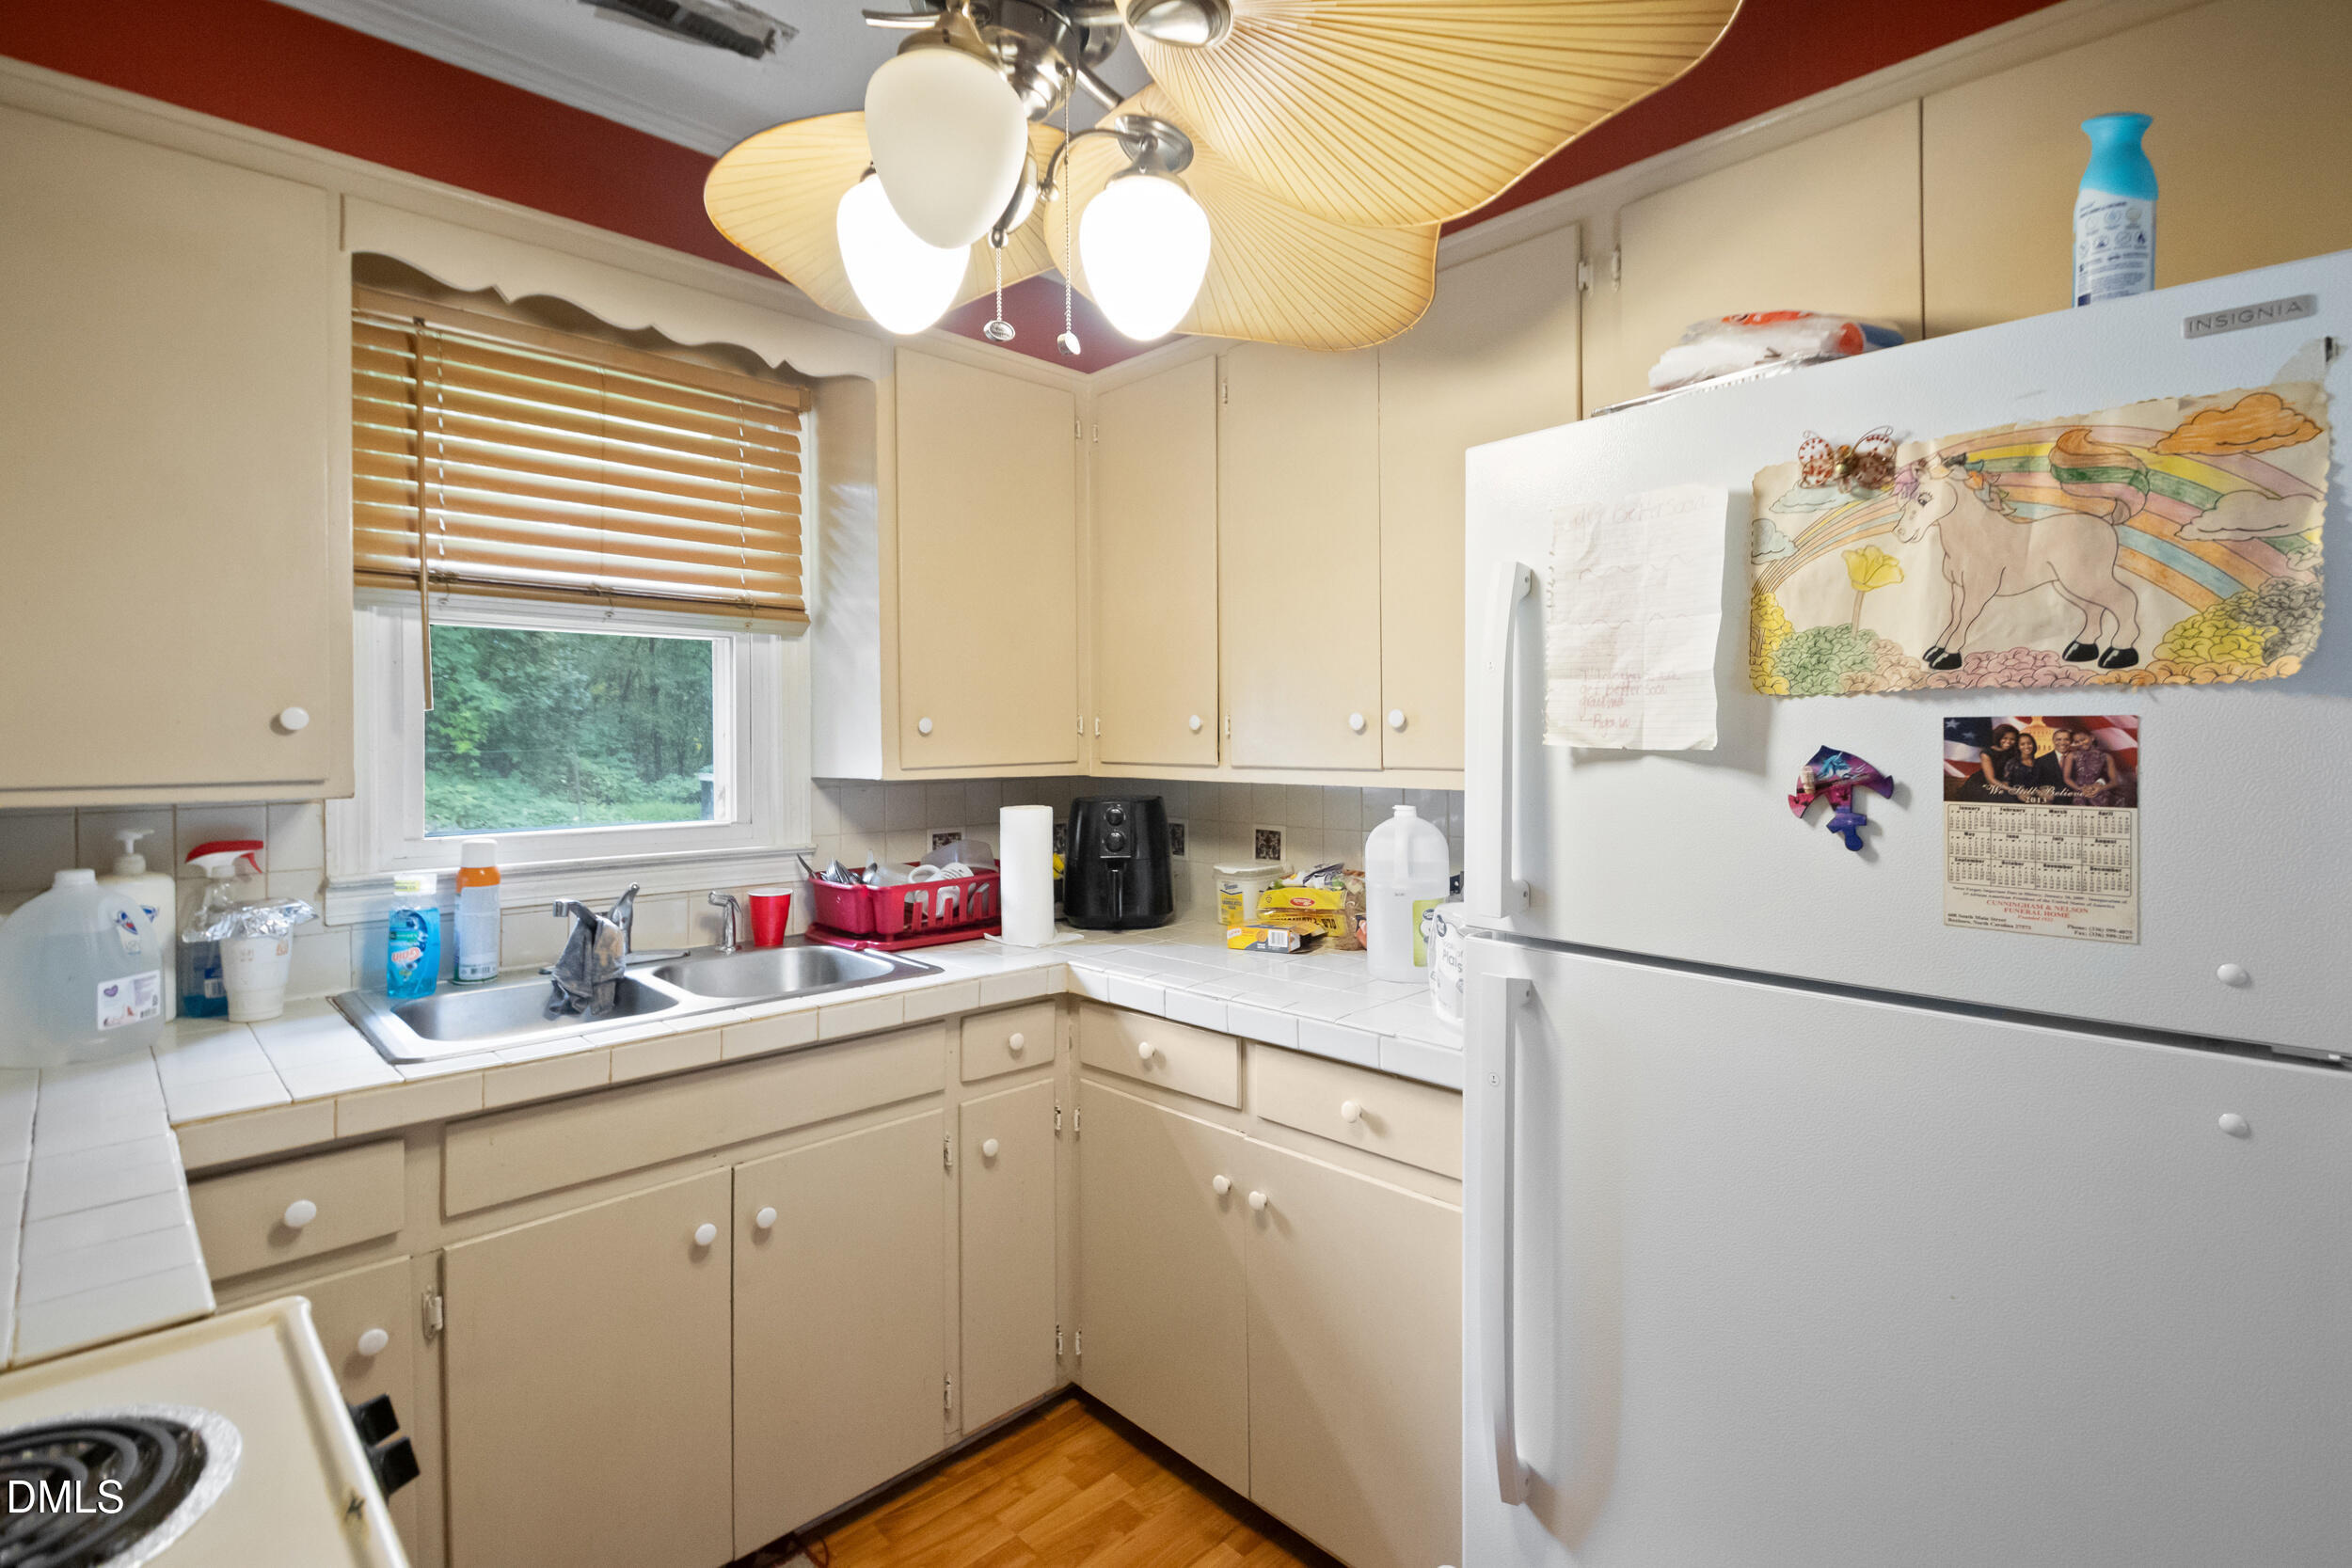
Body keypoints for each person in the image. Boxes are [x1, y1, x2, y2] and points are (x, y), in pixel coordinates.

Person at [2062, 726, 2121, 805]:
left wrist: (2100, 789)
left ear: (2092, 738)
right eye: (2077, 742)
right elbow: (2066, 778)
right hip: (2078, 795)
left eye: (2083, 739)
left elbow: (2114, 782)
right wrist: (2080, 789)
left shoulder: (2106, 757)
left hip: (2101, 796)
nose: (2081, 743)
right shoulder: (2071, 756)